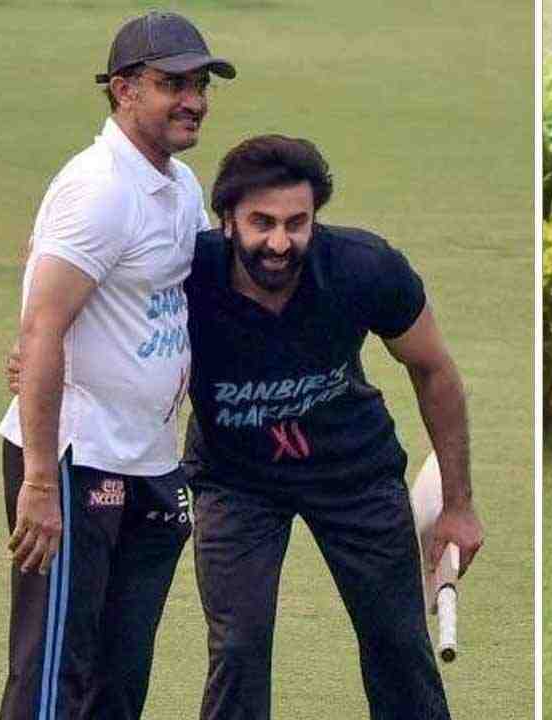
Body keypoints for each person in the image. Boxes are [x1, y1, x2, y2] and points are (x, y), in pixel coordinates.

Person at [178, 134, 483, 719]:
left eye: (297, 223)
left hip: (354, 474)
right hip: (235, 479)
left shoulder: (363, 267)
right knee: (237, 648)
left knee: (398, 643)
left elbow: (434, 369)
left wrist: (459, 505)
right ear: (226, 221)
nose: (278, 241)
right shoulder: (187, 277)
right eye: (260, 222)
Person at [0, 10, 234, 720]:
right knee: (53, 672)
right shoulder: (100, 188)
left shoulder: (181, 186)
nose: (193, 99)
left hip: (151, 462)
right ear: (124, 90)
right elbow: (43, 327)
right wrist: (40, 483)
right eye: (172, 84)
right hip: (76, 459)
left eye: (200, 83)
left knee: (120, 675)